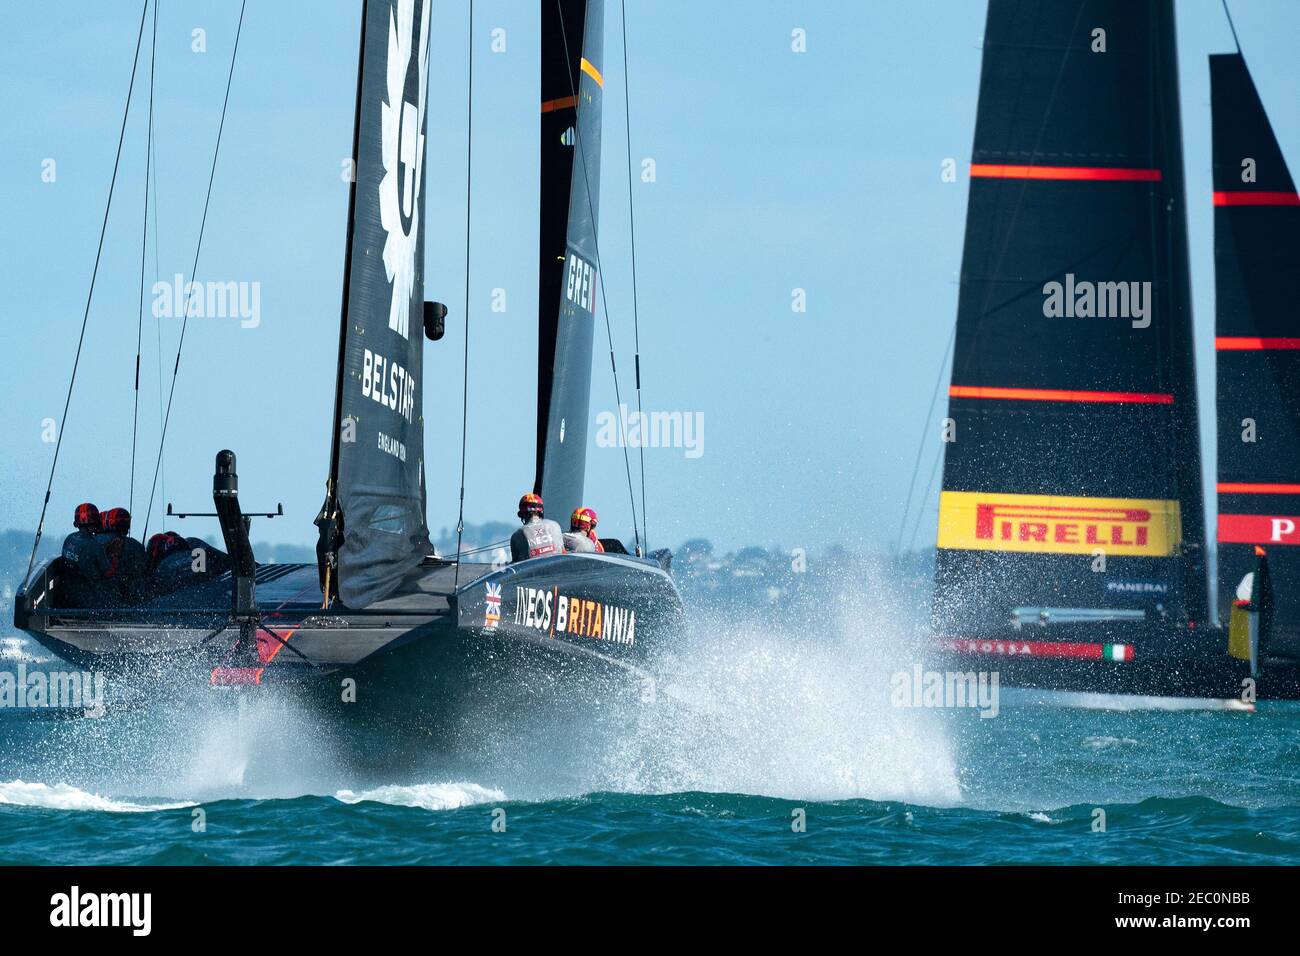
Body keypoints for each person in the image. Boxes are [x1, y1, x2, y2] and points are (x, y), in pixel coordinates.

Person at [60, 502, 110, 606]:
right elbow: (108, 573)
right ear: (95, 522)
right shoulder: (95, 545)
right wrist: (115, 556)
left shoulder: (69, 538)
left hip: (67, 593)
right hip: (90, 599)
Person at [97, 507, 149, 604]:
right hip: (132, 600)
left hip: (101, 598)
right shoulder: (137, 546)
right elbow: (145, 570)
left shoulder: (95, 541)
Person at [510, 492, 566, 562]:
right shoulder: (555, 525)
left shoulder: (517, 535)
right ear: (541, 511)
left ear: (522, 514)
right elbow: (563, 553)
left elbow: (516, 564)